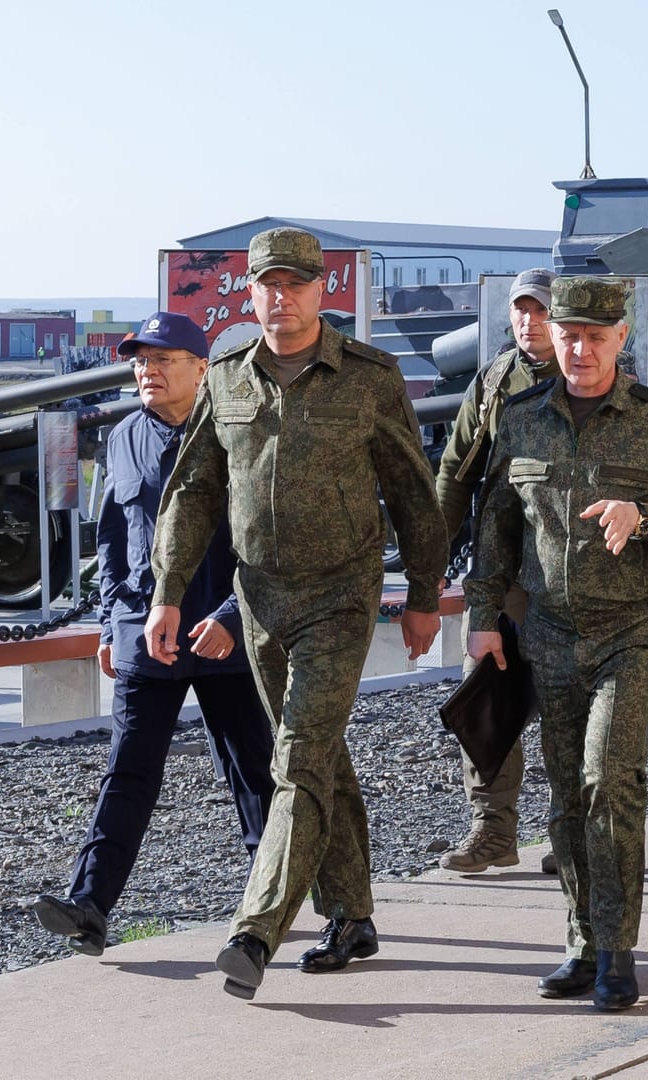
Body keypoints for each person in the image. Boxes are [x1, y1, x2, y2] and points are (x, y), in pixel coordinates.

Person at [148, 227, 447, 999]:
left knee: (299, 758)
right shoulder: (227, 377)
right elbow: (193, 494)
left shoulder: (370, 377)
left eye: (296, 284)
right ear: (250, 293)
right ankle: (350, 915)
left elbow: (415, 492)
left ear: (323, 292)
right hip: (260, 600)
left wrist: (421, 597)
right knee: (319, 757)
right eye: (267, 286)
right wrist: (168, 593)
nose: (281, 298)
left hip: (340, 596)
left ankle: (256, 929)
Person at [467, 275, 648, 1011]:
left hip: (631, 634)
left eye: (594, 337)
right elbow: (497, 526)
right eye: (568, 335)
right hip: (547, 634)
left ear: (620, 342)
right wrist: (484, 614)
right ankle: (581, 939)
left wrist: (643, 517)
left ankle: (617, 949)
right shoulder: (519, 418)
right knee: (567, 796)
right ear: (552, 337)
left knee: (610, 779)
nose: (579, 349)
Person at [33, 313, 274, 957]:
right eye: (141, 359)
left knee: (252, 771)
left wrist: (229, 618)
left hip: (225, 634)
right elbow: (114, 538)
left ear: (203, 368)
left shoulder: (239, 435)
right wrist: (113, 620)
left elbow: (265, 544)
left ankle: (267, 905)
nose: (149, 369)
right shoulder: (123, 438)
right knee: (127, 772)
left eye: (165, 358)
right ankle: (90, 905)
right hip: (146, 634)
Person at [432, 269, 559, 874]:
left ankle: (571, 832)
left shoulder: (593, 380)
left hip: (567, 579)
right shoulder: (494, 381)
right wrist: (430, 553)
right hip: (500, 576)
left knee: (570, 710)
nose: (528, 322)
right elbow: (456, 472)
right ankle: (492, 832)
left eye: (541, 311)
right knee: (486, 701)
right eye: (520, 311)